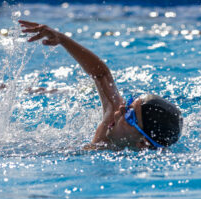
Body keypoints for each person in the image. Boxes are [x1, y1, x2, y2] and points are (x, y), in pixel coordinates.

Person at [19, 20, 183, 151]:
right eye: (129, 103)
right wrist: (61, 39)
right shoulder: (110, 123)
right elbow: (101, 75)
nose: (120, 111)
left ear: (143, 143)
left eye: (129, 116)